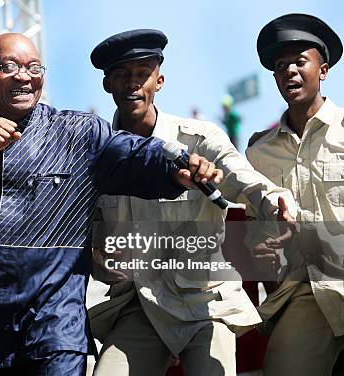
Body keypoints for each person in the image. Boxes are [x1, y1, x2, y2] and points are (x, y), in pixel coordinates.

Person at [0, 33, 224, 375]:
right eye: (9, 67)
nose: (24, 76)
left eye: (33, 67)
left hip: (51, 322)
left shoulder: (78, 132)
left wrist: (176, 171)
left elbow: (134, 153)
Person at [87, 29, 298, 376]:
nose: (132, 84)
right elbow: (91, 242)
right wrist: (102, 261)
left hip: (204, 300)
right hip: (141, 303)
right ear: (107, 84)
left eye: (142, 75)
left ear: (160, 80)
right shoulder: (97, 153)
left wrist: (275, 205)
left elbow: (240, 175)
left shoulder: (198, 138)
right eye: (122, 75)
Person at [246, 13, 344, 376]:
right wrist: (262, 247)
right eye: (279, 66)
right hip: (305, 292)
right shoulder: (258, 152)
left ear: (324, 69)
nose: (288, 71)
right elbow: (256, 232)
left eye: (299, 62)